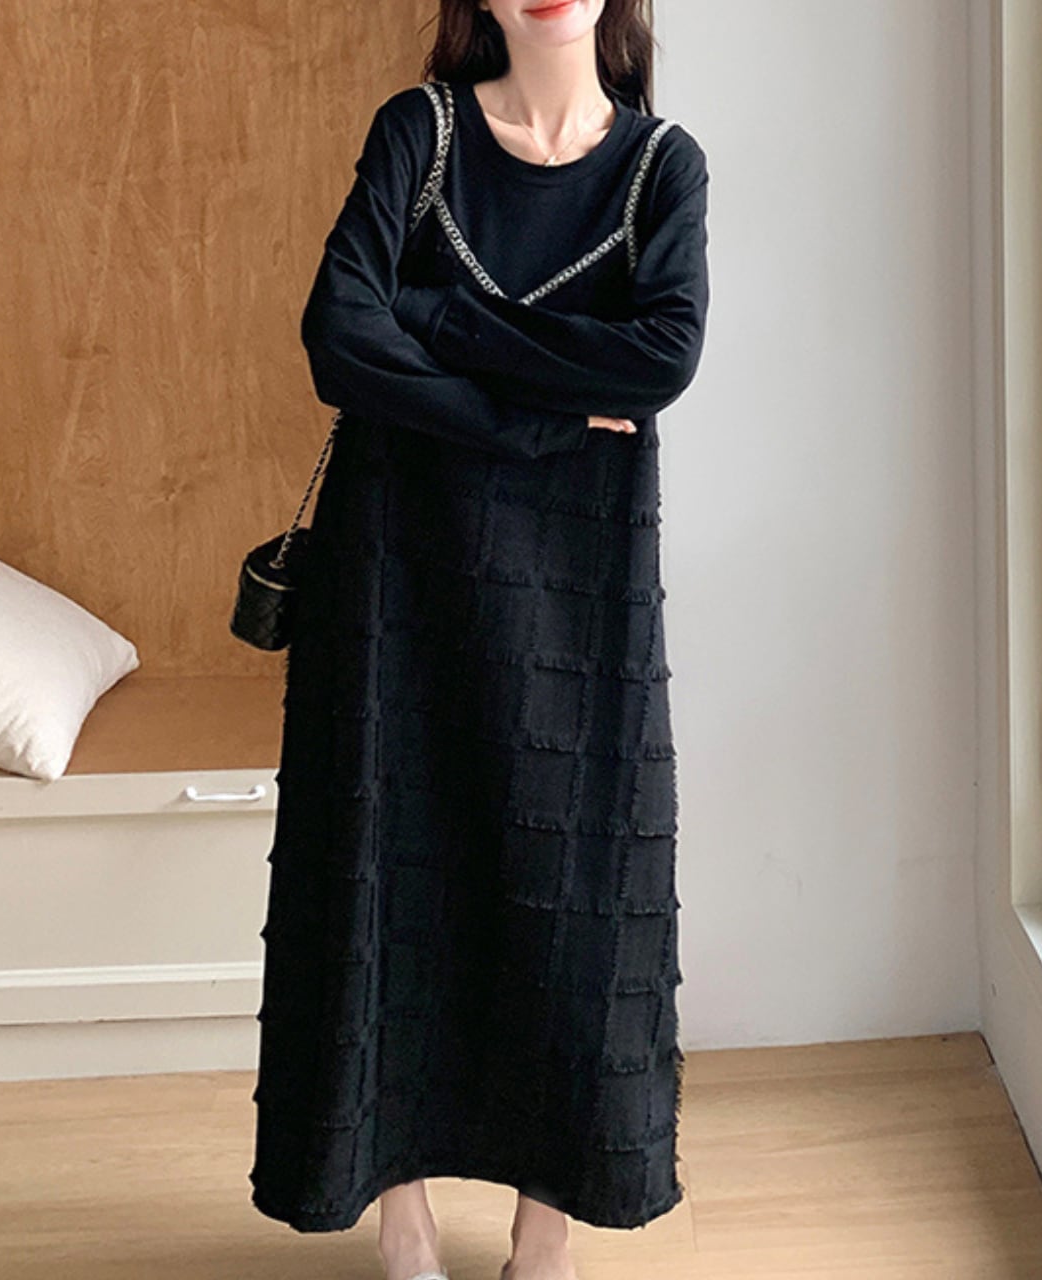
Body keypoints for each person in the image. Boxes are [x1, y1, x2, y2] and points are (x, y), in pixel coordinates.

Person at [248, 1, 711, 1278]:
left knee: (572, 890)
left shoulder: (661, 166)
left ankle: (542, 1231)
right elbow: (339, 334)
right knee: (383, 869)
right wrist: (535, 421)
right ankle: (398, 1216)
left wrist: (440, 318)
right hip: (393, 572)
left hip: (578, 589)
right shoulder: (420, 130)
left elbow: (658, 358)